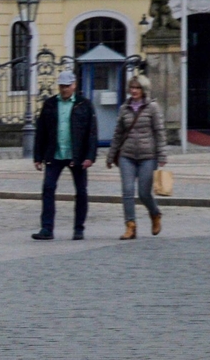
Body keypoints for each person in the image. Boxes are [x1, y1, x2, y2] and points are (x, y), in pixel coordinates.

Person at [29, 69, 98, 241]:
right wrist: (38, 157)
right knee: (48, 188)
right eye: (61, 86)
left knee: (81, 191)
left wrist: (90, 156)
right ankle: (47, 228)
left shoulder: (84, 104)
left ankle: (79, 228)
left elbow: (92, 132)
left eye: (67, 86)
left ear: (74, 86)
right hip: (55, 153)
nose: (64, 89)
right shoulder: (50, 104)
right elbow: (41, 131)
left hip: (78, 154)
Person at [108, 74, 168, 238]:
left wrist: (162, 155)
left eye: (137, 88)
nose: (134, 91)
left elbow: (159, 132)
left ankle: (155, 214)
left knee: (144, 193)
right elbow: (118, 134)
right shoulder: (124, 108)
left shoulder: (152, 107)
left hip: (148, 156)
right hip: (126, 155)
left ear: (144, 89)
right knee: (127, 191)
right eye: (132, 88)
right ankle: (130, 225)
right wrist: (111, 155)